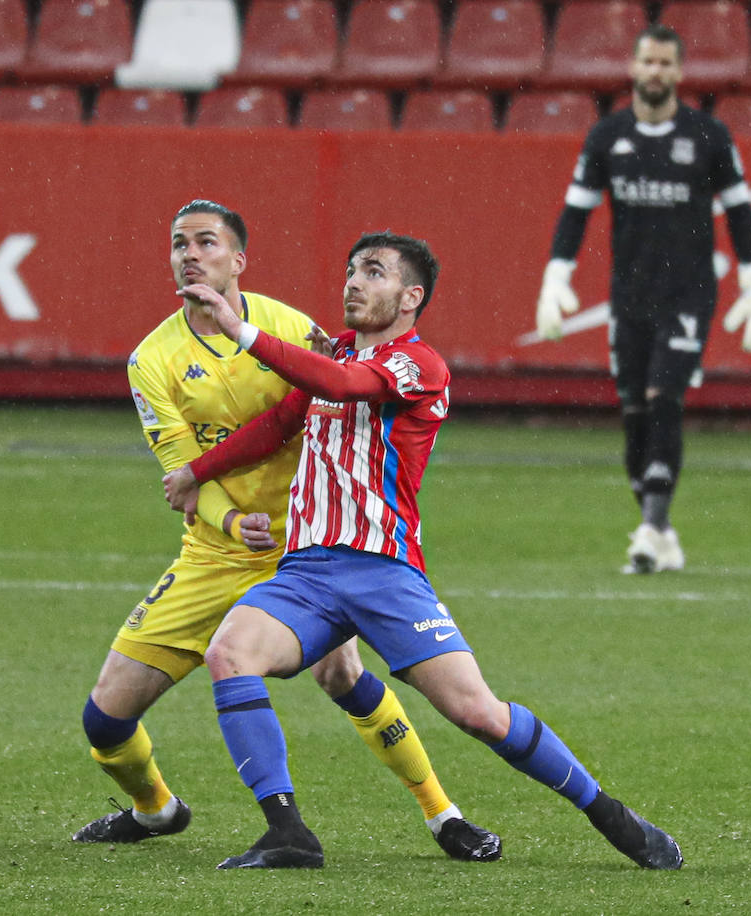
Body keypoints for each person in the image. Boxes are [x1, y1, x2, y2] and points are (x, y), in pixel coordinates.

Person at [165, 231, 683, 871]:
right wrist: (197, 471)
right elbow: (278, 424)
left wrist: (241, 332)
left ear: (411, 297)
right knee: (230, 653)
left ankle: (609, 813)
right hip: (306, 571)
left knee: (479, 714)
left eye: (374, 273)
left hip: (384, 572)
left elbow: (346, 385)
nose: (354, 282)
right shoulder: (337, 355)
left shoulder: (417, 364)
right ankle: (287, 832)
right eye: (352, 269)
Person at [72, 201, 500, 864]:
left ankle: (442, 814)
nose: (191, 253)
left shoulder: (292, 329)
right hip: (215, 554)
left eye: (207, 242)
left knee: (343, 675)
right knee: (105, 718)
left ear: (238, 260)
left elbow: (338, 397)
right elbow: (183, 477)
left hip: (308, 553)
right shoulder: (151, 360)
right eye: (179, 243)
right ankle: (156, 811)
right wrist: (227, 519)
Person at [534, 23, 751, 574]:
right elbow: (576, 211)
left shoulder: (709, 136)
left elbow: (739, 212)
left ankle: (647, 530)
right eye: (648, 62)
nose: (656, 73)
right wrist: (556, 277)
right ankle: (660, 528)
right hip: (630, 295)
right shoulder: (607, 137)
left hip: (689, 291)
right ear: (634, 68)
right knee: (635, 412)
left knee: (665, 397)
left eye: (666, 64)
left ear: (680, 72)